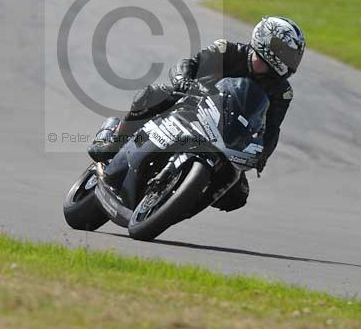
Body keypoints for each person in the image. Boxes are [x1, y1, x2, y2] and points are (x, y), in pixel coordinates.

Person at [87, 16, 305, 212]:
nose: (289, 59)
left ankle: (176, 198)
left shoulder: (282, 91)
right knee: (150, 95)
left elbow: (273, 127)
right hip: (192, 105)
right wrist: (184, 79)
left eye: (293, 55)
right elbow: (189, 64)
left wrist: (262, 155)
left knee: (237, 197)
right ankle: (115, 142)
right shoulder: (227, 51)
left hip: (230, 134)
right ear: (265, 40)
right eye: (285, 51)